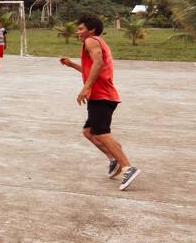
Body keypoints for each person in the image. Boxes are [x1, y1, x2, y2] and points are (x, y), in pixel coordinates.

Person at [59, 15, 139, 191]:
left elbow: (98, 62)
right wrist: (72, 65)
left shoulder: (91, 41)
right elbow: (92, 68)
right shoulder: (97, 42)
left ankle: (127, 167)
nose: (78, 32)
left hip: (102, 96)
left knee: (102, 133)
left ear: (91, 30)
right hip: (103, 96)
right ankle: (114, 160)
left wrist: (86, 88)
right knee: (88, 132)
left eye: (80, 29)